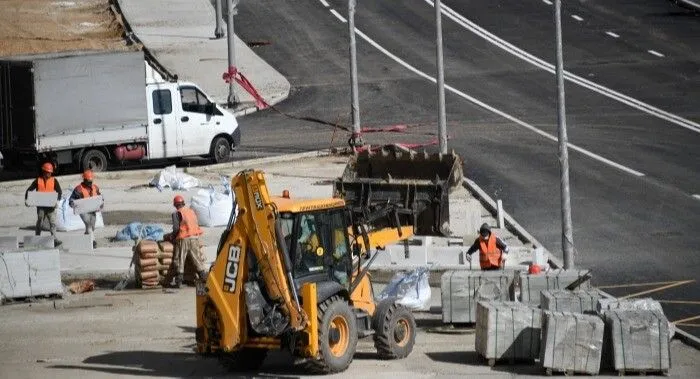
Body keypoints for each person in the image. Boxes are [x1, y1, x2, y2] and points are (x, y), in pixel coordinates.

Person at [166, 195, 207, 288]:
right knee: (197, 260)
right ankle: (204, 279)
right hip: (195, 238)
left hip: (183, 238)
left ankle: (178, 282)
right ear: (183, 203)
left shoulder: (177, 213)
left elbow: (176, 229)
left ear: (176, 205)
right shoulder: (191, 211)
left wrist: (172, 237)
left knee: (180, 260)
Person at [24, 162, 62, 246]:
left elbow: (59, 192)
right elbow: (29, 190)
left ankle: (54, 239)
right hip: (41, 206)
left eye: (50, 172)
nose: (49, 174)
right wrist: (27, 200)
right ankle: (37, 237)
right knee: (40, 221)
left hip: (51, 206)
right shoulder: (38, 180)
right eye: (48, 172)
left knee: (52, 223)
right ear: (44, 171)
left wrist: (57, 201)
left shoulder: (54, 181)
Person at [69, 169, 103, 249]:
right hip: (83, 211)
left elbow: (99, 197)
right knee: (88, 225)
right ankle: (93, 242)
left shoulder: (95, 187)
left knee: (92, 227)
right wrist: (72, 203)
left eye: (91, 181)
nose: (90, 183)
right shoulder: (78, 189)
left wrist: (101, 203)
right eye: (88, 181)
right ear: (84, 180)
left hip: (92, 210)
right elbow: (71, 199)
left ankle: (85, 238)